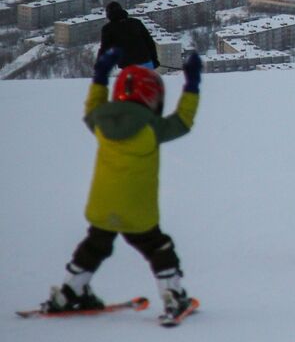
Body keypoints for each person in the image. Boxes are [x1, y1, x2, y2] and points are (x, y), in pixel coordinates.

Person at [39, 47, 202, 320]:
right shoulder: (151, 128)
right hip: (138, 211)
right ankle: (173, 295)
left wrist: (100, 76)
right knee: (158, 248)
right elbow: (183, 122)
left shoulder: (101, 123)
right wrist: (192, 83)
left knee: (95, 246)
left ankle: (70, 291)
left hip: (101, 207)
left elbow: (92, 108)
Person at [100, 1, 159, 69]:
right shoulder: (136, 22)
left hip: (127, 67)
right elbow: (149, 42)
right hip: (146, 62)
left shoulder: (108, 29)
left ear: (108, 14)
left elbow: (104, 49)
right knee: (145, 80)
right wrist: (154, 59)